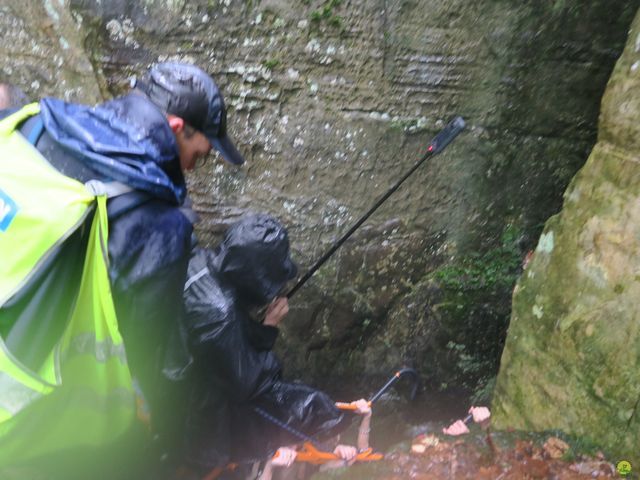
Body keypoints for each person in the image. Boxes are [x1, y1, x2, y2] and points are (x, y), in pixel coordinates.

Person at [0, 62, 244, 478]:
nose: (198, 161)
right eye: (201, 148)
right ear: (176, 125)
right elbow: (156, 356)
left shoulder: (32, 123)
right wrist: (173, 447)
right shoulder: (157, 220)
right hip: (25, 414)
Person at [180, 214, 369, 478]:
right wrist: (270, 326)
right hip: (188, 406)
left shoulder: (199, 261)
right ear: (255, 274)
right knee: (306, 408)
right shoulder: (221, 313)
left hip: (181, 367)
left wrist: (263, 329)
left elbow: (226, 349)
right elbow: (253, 384)